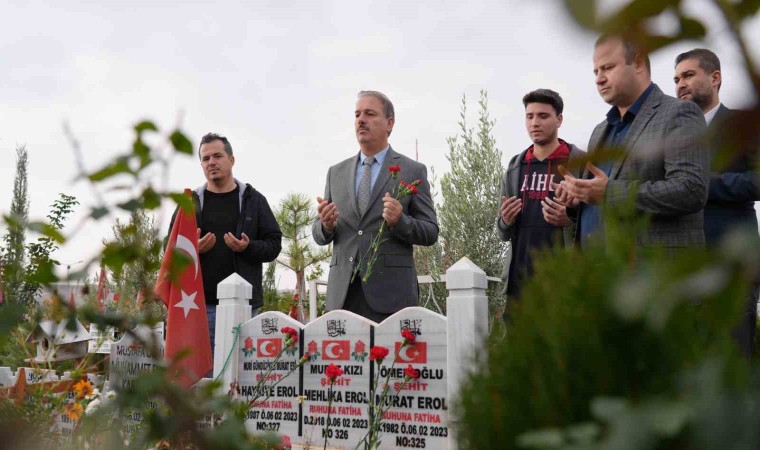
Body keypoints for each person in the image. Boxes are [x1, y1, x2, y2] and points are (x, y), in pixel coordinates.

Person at [558, 34, 709, 250]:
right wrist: (578, 200)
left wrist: (608, 192)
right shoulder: (599, 131)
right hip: (598, 266)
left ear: (637, 64)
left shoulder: (680, 113)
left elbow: (691, 190)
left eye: (608, 68)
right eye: (596, 71)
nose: (599, 79)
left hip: (652, 267)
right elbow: (601, 200)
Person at [312, 91, 439, 322]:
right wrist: (325, 225)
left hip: (392, 298)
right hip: (343, 297)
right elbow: (318, 234)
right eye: (357, 115)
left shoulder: (412, 170)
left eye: (370, 114)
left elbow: (430, 231)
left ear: (389, 123)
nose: (361, 120)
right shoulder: (335, 173)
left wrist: (400, 221)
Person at [674, 48, 760, 356]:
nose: (680, 84)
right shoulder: (671, 137)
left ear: (715, 78)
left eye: (688, 75)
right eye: (676, 79)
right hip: (680, 272)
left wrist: (701, 185)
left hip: (732, 269)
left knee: (733, 364)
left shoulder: (743, 126)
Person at [168, 132, 282, 357]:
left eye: (217, 156)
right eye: (205, 158)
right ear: (201, 165)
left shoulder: (254, 200)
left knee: (241, 372)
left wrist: (248, 248)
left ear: (231, 159)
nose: (211, 162)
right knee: (203, 374)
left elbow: (274, 244)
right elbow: (168, 249)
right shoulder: (189, 202)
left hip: (244, 307)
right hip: (196, 307)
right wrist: (192, 250)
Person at [497, 89, 585, 305]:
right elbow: (501, 233)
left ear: (559, 119)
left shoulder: (580, 164)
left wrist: (571, 218)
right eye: (529, 116)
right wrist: (505, 221)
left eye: (543, 116)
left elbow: (600, 222)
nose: (535, 123)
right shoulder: (514, 167)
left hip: (565, 283)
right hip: (519, 285)